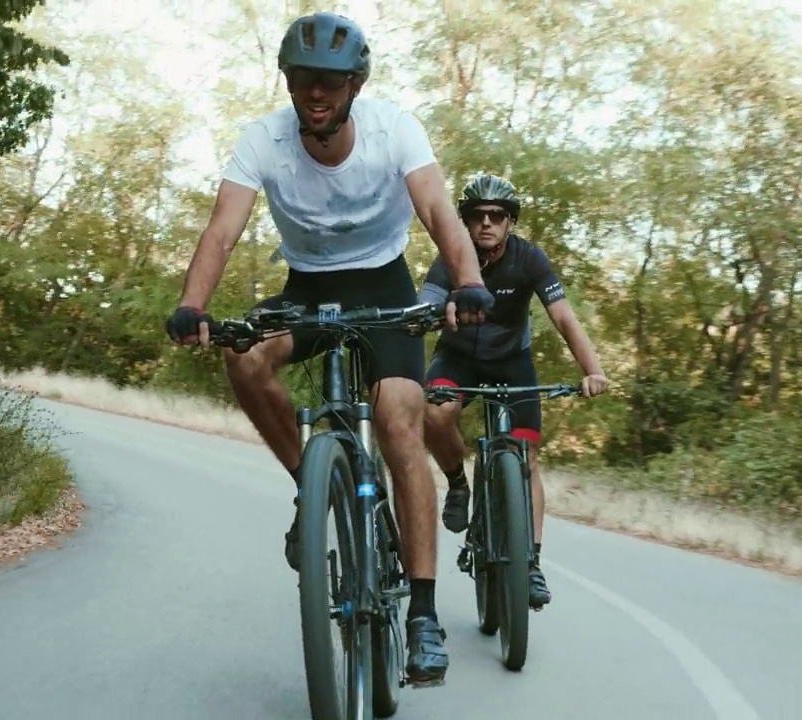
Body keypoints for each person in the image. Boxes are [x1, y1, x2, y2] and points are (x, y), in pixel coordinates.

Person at [162, 12, 493, 686]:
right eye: (304, 78)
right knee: (245, 356)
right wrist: (193, 304)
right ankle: (308, 492)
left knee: (401, 419)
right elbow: (223, 229)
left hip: (385, 285)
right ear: (289, 82)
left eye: (331, 81)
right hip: (308, 288)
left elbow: (437, 212)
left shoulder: (393, 128)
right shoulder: (264, 140)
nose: (317, 92)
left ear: (354, 85)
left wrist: (469, 281)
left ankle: (423, 615)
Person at [417, 174, 608, 609]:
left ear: (510, 222)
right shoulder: (450, 258)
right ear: (464, 222)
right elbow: (424, 308)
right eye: (477, 216)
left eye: (497, 216)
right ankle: (458, 483)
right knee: (436, 412)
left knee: (528, 458)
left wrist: (592, 370)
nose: (487, 224)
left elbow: (562, 317)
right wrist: (439, 311)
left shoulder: (529, 259)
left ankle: (532, 562)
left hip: (510, 361)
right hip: (458, 357)